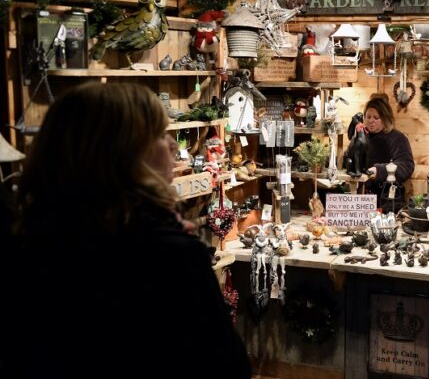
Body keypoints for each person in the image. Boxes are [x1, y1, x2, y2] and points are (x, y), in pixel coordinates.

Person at [2, 83, 251, 378]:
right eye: (160, 135)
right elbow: (226, 365)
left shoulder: (29, 243)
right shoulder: (169, 255)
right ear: (124, 154)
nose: (173, 146)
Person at [363, 94, 415, 213]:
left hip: (388, 200)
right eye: (368, 117)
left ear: (385, 119)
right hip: (363, 200)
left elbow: (406, 166)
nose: (371, 121)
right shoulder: (362, 137)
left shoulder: (397, 139)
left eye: (376, 118)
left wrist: (380, 171)